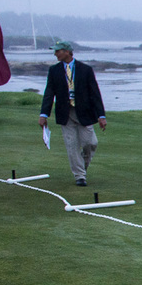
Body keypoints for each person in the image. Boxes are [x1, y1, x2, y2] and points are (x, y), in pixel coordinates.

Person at [38, 40, 106, 186]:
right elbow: (49, 93)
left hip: (84, 112)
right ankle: (80, 176)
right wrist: (44, 114)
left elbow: (95, 93)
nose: (55, 54)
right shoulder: (54, 70)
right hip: (65, 113)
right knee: (72, 145)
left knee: (91, 143)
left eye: (58, 51)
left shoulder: (85, 69)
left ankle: (81, 166)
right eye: (55, 51)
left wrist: (101, 115)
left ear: (67, 52)